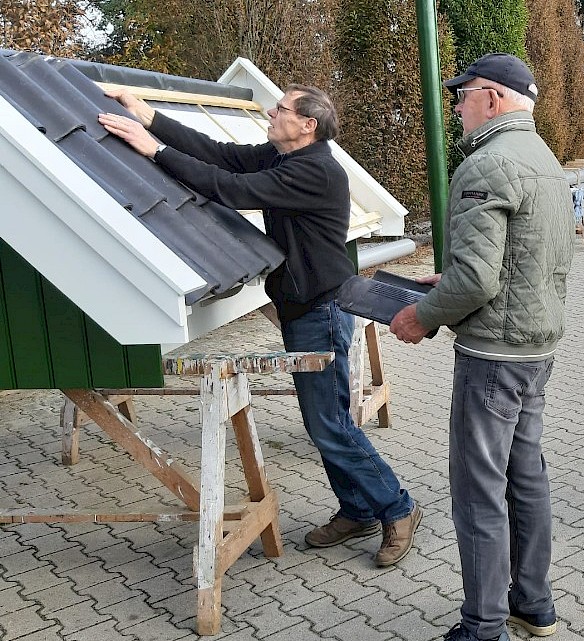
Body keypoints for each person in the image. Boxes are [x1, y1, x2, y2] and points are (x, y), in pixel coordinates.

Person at [98, 85, 422, 565]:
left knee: (328, 423)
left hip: (323, 308)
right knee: (323, 420)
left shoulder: (314, 171)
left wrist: (155, 151)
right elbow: (223, 155)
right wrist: (150, 117)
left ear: (307, 125)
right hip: (304, 307)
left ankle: (398, 506)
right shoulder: (283, 156)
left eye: (282, 109)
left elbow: (231, 189)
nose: (273, 113)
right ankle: (358, 509)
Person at [390, 53, 573, 641]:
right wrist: (445, 283)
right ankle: (533, 605)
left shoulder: (487, 164)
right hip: (535, 348)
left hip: (493, 355)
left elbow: (478, 281)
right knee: (526, 478)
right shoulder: (542, 159)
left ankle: (483, 624)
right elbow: (516, 261)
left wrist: (423, 314)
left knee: (478, 491)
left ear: (492, 97)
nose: (458, 107)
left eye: (462, 96)